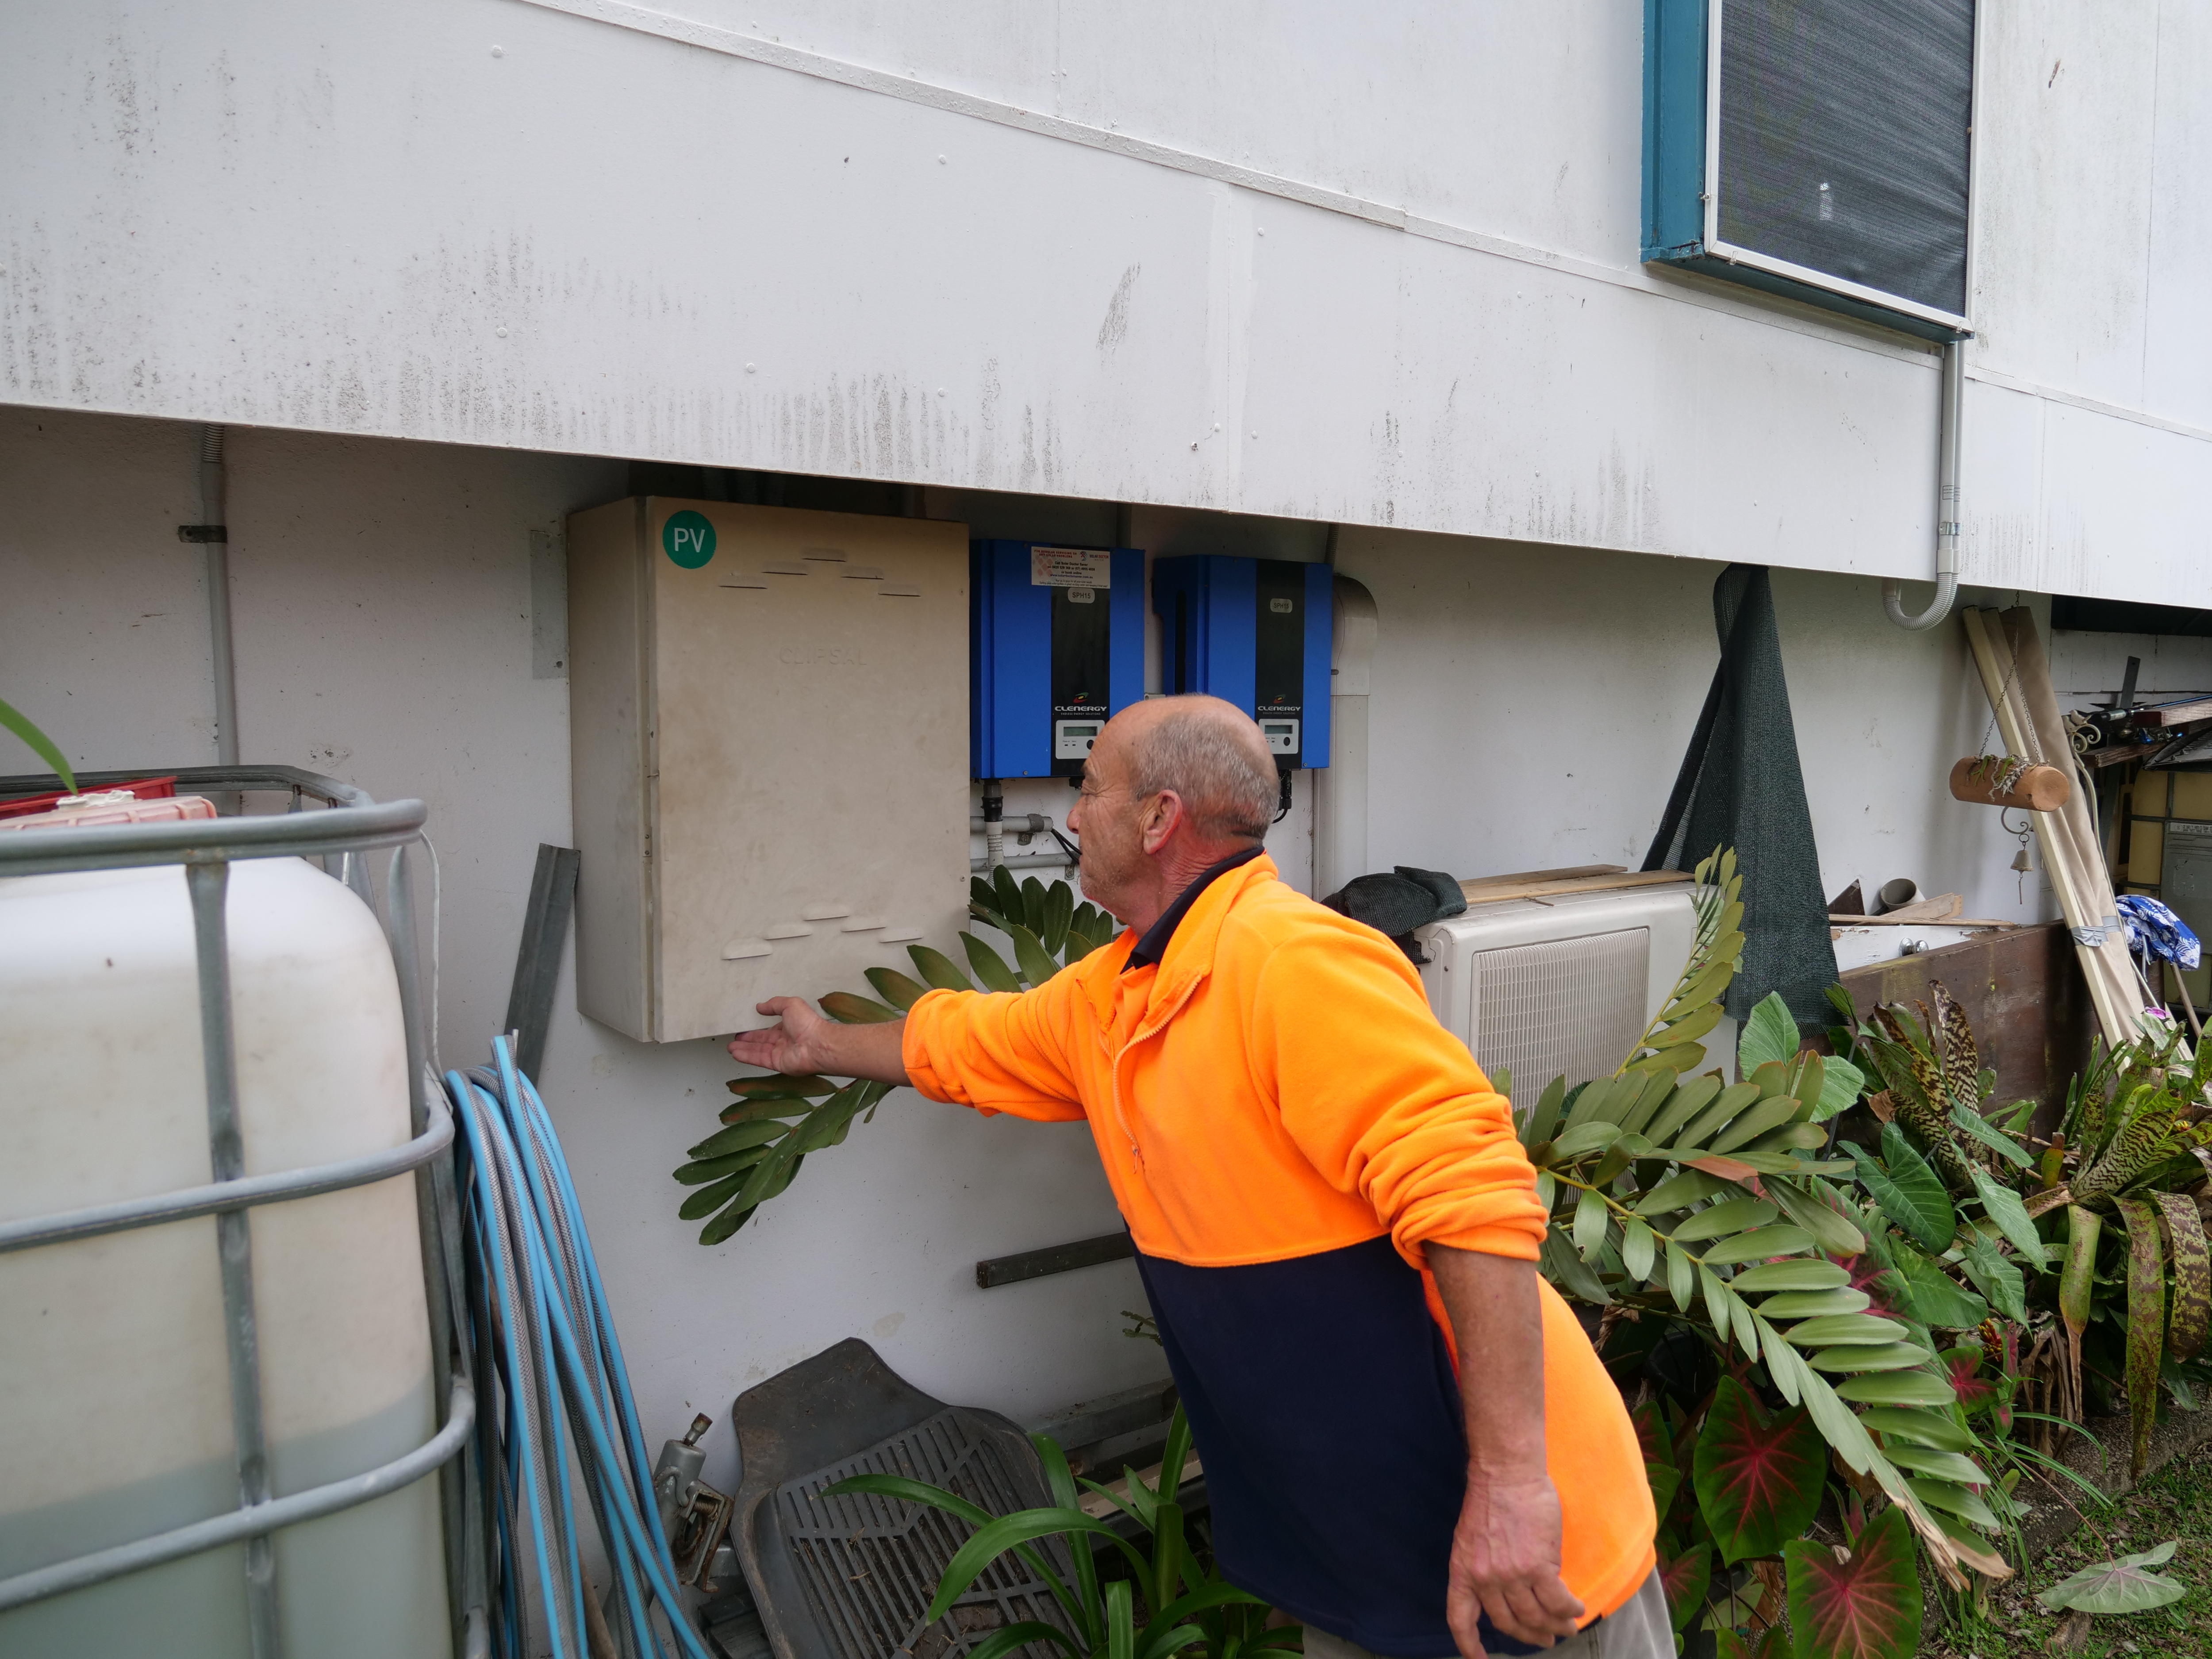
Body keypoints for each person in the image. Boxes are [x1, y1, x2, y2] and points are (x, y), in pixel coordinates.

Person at [730, 695, 1664, 1659]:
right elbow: (970, 1040)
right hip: (1357, 1543)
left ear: (1157, 818)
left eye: (1089, 787)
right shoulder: (1116, 996)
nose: (1074, 812)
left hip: (1511, 1533)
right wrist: (826, 1043)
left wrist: (1512, 1484)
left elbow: (1472, 1199)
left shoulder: (1291, 961)